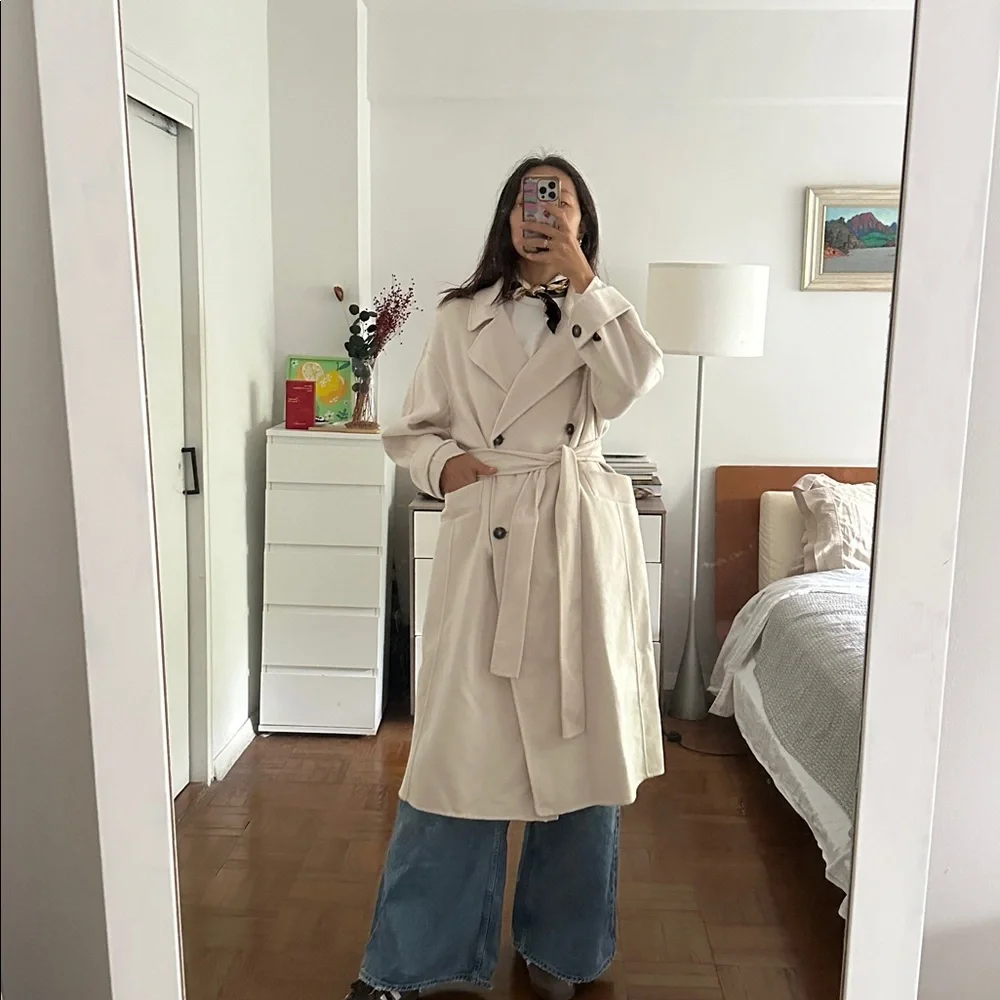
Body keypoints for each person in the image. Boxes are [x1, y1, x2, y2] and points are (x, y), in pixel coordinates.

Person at [344, 155, 665, 1000]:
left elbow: (632, 386)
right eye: (530, 198)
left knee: (582, 753)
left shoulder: (603, 310)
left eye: (560, 201)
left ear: (582, 221)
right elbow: (413, 430)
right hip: (487, 536)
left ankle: (561, 947)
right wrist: (445, 467)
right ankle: (417, 958)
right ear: (507, 215)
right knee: (455, 757)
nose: (542, 212)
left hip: (574, 543)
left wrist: (582, 278)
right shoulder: (461, 317)